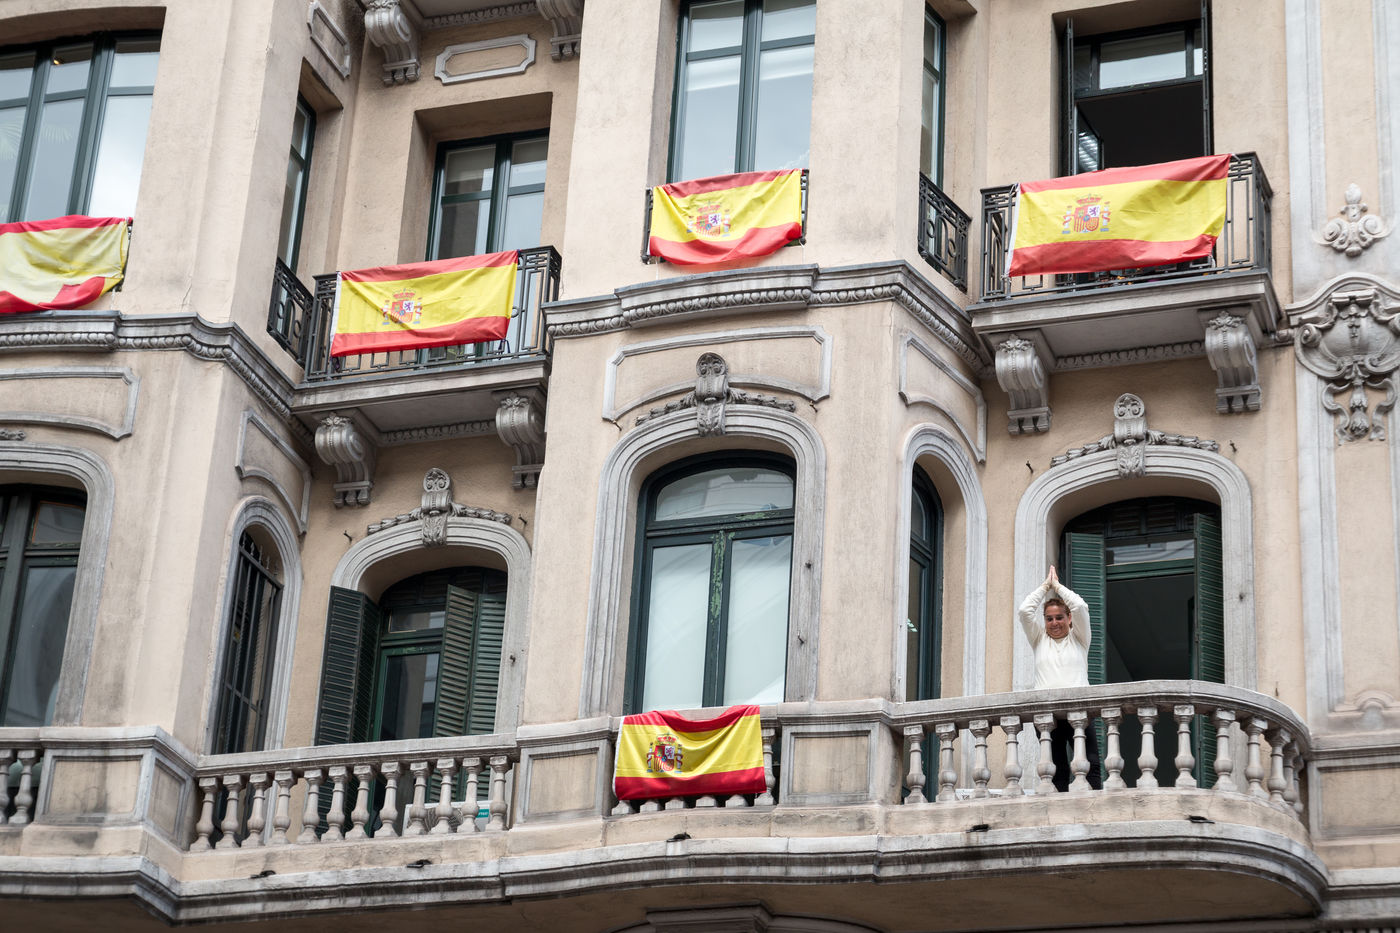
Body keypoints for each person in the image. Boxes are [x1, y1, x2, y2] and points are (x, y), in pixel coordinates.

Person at [1017, 565, 1103, 791]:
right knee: (1057, 770)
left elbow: (1080, 606)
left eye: (1059, 617)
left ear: (1069, 618)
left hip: (1080, 712)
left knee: (1090, 764)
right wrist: (1045, 587)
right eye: (1049, 618)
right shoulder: (1039, 639)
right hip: (1048, 715)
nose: (1054, 623)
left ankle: (1094, 807)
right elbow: (1025, 611)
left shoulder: (1080, 638)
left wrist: (1057, 587)